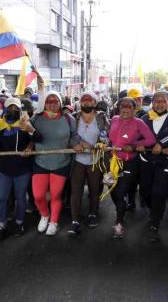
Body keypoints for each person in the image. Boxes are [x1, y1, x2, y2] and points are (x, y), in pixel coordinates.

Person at [22, 91, 77, 236]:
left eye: (56, 101)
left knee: (55, 195)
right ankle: (45, 215)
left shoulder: (69, 119)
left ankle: (54, 222)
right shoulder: (37, 118)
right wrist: (29, 146)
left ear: (60, 103)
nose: (53, 104)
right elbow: (33, 137)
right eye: (49, 101)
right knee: (38, 196)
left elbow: (72, 137)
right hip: (41, 162)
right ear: (44, 104)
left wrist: (76, 144)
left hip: (61, 162)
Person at [108, 97, 156, 238]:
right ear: (119, 108)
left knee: (120, 192)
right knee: (112, 191)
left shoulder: (138, 122)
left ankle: (119, 223)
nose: (126, 109)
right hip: (113, 162)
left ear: (134, 109)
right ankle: (120, 213)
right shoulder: (115, 119)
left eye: (129, 106)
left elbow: (151, 140)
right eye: (123, 106)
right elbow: (111, 138)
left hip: (130, 163)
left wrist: (134, 145)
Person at [139, 91, 168, 241]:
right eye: (157, 101)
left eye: (163, 101)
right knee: (145, 192)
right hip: (146, 160)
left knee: (159, 193)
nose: (160, 104)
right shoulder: (144, 118)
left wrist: (160, 144)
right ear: (152, 103)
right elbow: (139, 135)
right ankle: (154, 210)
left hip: (165, 161)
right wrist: (140, 145)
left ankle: (154, 223)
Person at [68, 91, 110, 235]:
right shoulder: (74, 117)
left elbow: (106, 136)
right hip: (78, 160)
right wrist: (76, 144)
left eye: (89, 100)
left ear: (95, 103)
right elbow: (70, 135)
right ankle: (75, 220)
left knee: (95, 189)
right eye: (84, 101)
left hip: (95, 160)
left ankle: (93, 213)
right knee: (76, 190)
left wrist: (99, 144)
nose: (86, 103)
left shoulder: (102, 117)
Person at [0, 97, 33, 239]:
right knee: (2, 198)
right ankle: (2, 226)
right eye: (10, 107)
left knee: (21, 198)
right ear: (5, 109)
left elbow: (33, 140)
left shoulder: (25, 123)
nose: (13, 110)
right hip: (4, 168)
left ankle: (19, 223)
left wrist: (29, 147)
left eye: (16, 108)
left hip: (22, 168)